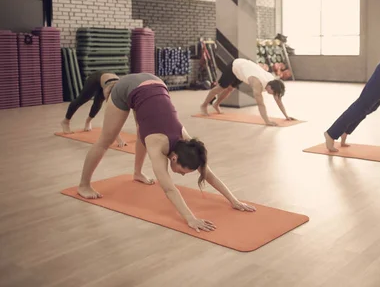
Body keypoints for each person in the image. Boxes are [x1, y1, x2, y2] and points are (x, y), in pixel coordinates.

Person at [77, 73, 256, 232]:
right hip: (127, 87)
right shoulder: (158, 146)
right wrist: (190, 219)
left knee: (143, 131)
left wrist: (234, 201)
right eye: (182, 171)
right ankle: (83, 185)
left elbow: (209, 174)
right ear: (174, 157)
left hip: (155, 83)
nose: (182, 176)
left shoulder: (187, 142)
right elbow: (169, 189)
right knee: (105, 141)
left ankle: (137, 173)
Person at [200, 58, 294, 126]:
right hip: (235, 66)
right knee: (220, 88)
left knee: (230, 89)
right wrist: (267, 121)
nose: (273, 95)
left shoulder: (273, 81)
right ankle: (204, 105)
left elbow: (279, 100)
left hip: (243, 72)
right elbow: (261, 104)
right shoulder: (257, 84)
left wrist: (286, 116)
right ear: (269, 87)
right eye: (273, 93)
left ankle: (216, 104)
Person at [61, 71, 126, 147]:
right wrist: (118, 138)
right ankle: (65, 121)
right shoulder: (108, 92)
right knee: (81, 100)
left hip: (109, 80)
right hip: (96, 78)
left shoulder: (123, 92)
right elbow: (110, 117)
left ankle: (88, 121)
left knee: (98, 103)